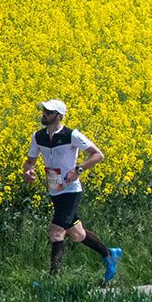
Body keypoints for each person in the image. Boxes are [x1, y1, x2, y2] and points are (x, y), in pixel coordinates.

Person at [20, 99, 122, 281]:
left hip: (71, 190)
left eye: (49, 112)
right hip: (55, 190)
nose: (44, 114)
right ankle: (109, 254)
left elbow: (98, 154)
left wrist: (78, 170)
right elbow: (30, 161)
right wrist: (27, 171)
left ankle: (53, 281)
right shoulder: (38, 136)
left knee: (56, 232)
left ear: (59, 116)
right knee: (77, 234)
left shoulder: (71, 135)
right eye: (44, 111)